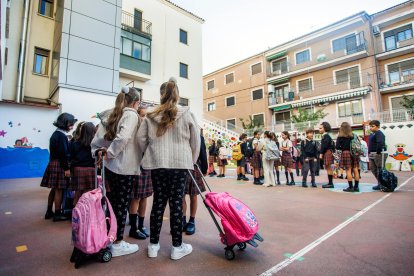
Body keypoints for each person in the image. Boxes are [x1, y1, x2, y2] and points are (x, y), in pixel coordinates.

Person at [137, 79, 200, 260]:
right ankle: (176, 247)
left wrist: (148, 152)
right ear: (177, 94)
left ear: (161, 94)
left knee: (158, 202)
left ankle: (153, 245)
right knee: (176, 203)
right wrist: (192, 160)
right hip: (180, 164)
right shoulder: (187, 113)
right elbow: (196, 141)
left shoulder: (150, 115)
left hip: (157, 163)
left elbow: (141, 139)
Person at [91, 86, 142, 257]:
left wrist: (101, 153)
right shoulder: (131, 115)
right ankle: (117, 242)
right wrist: (110, 154)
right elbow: (124, 137)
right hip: (124, 168)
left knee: (111, 204)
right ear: (136, 102)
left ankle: (108, 237)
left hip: (110, 169)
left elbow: (97, 139)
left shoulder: (111, 113)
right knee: (121, 206)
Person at [41, 113, 77, 221]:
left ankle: (49, 211)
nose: (72, 127)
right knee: (59, 190)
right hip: (60, 164)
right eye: (71, 124)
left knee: (54, 189)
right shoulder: (61, 136)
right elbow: (64, 154)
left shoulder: (55, 134)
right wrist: (66, 168)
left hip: (53, 162)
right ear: (65, 123)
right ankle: (57, 213)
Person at [183, 132, 208, 235]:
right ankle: (183, 219)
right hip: (182, 166)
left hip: (194, 166)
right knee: (181, 195)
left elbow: (202, 153)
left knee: (194, 195)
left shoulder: (198, 136)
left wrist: (205, 168)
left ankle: (192, 221)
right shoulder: (182, 133)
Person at [69, 122, 96, 206]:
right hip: (91, 170)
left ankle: (76, 215)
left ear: (82, 130)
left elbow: (70, 157)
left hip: (77, 170)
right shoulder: (95, 145)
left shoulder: (74, 143)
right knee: (88, 194)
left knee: (77, 194)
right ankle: (85, 215)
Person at [336, 122, 360, 192]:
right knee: (355, 169)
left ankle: (350, 187)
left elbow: (337, 147)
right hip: (354, 153)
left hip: (345, 153)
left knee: (348, 170)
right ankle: (356, 187)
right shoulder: (353, 135)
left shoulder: (340, 137)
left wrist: (343, 148)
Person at [368, 120, 387, 191]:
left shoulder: (379, 133)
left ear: (378, 126)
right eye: (370, 126)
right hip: (372, 153)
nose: (371, 128)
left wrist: (378, 152)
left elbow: (380, 142)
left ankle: (383, 184)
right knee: (373, 169)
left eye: (372, 126)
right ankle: (380, 183)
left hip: (378, 153)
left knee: (380, 169)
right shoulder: (373, 134)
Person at [319, 122, 335, 188]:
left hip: (327, 152)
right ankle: (330, 183)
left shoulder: (325, 136)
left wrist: (321, 153)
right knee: (329, 168)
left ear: (325, 128)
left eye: (320, 128)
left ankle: (330, 183)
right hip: (329, 152)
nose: (319, 129)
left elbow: (324, 146)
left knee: (328, 168)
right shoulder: (328, 135)